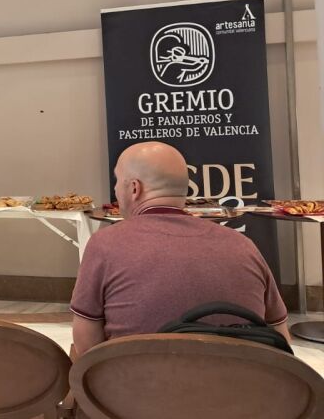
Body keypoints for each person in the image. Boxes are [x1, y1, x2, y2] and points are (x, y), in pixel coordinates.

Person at [70, 141, 290, 355]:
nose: (116, 190)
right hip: (238, 387)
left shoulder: (105, 244)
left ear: (135, 188)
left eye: (117, 181)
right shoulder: (243, 245)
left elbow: (87, 346)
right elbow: (280, 336)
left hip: (137, 388)